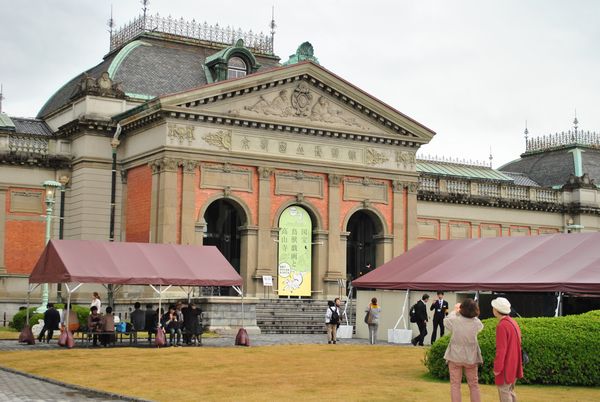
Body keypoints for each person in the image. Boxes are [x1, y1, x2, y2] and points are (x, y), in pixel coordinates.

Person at [444, 299, 484, 402]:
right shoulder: (477, 323)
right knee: (474, 385)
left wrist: (455, 311)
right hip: (471, 357)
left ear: (462, 308)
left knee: (455, 385)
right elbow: (480, 326)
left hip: (454, 357)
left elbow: (446, 321)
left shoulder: (454, 320)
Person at [492, 297, 523, 402]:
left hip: (506, 365)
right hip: (514, 363)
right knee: (510, 391)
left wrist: (497, 368)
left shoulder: (502, 325)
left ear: (496, 310)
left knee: (504, 393)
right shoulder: (513, 322)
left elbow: (501, 350)